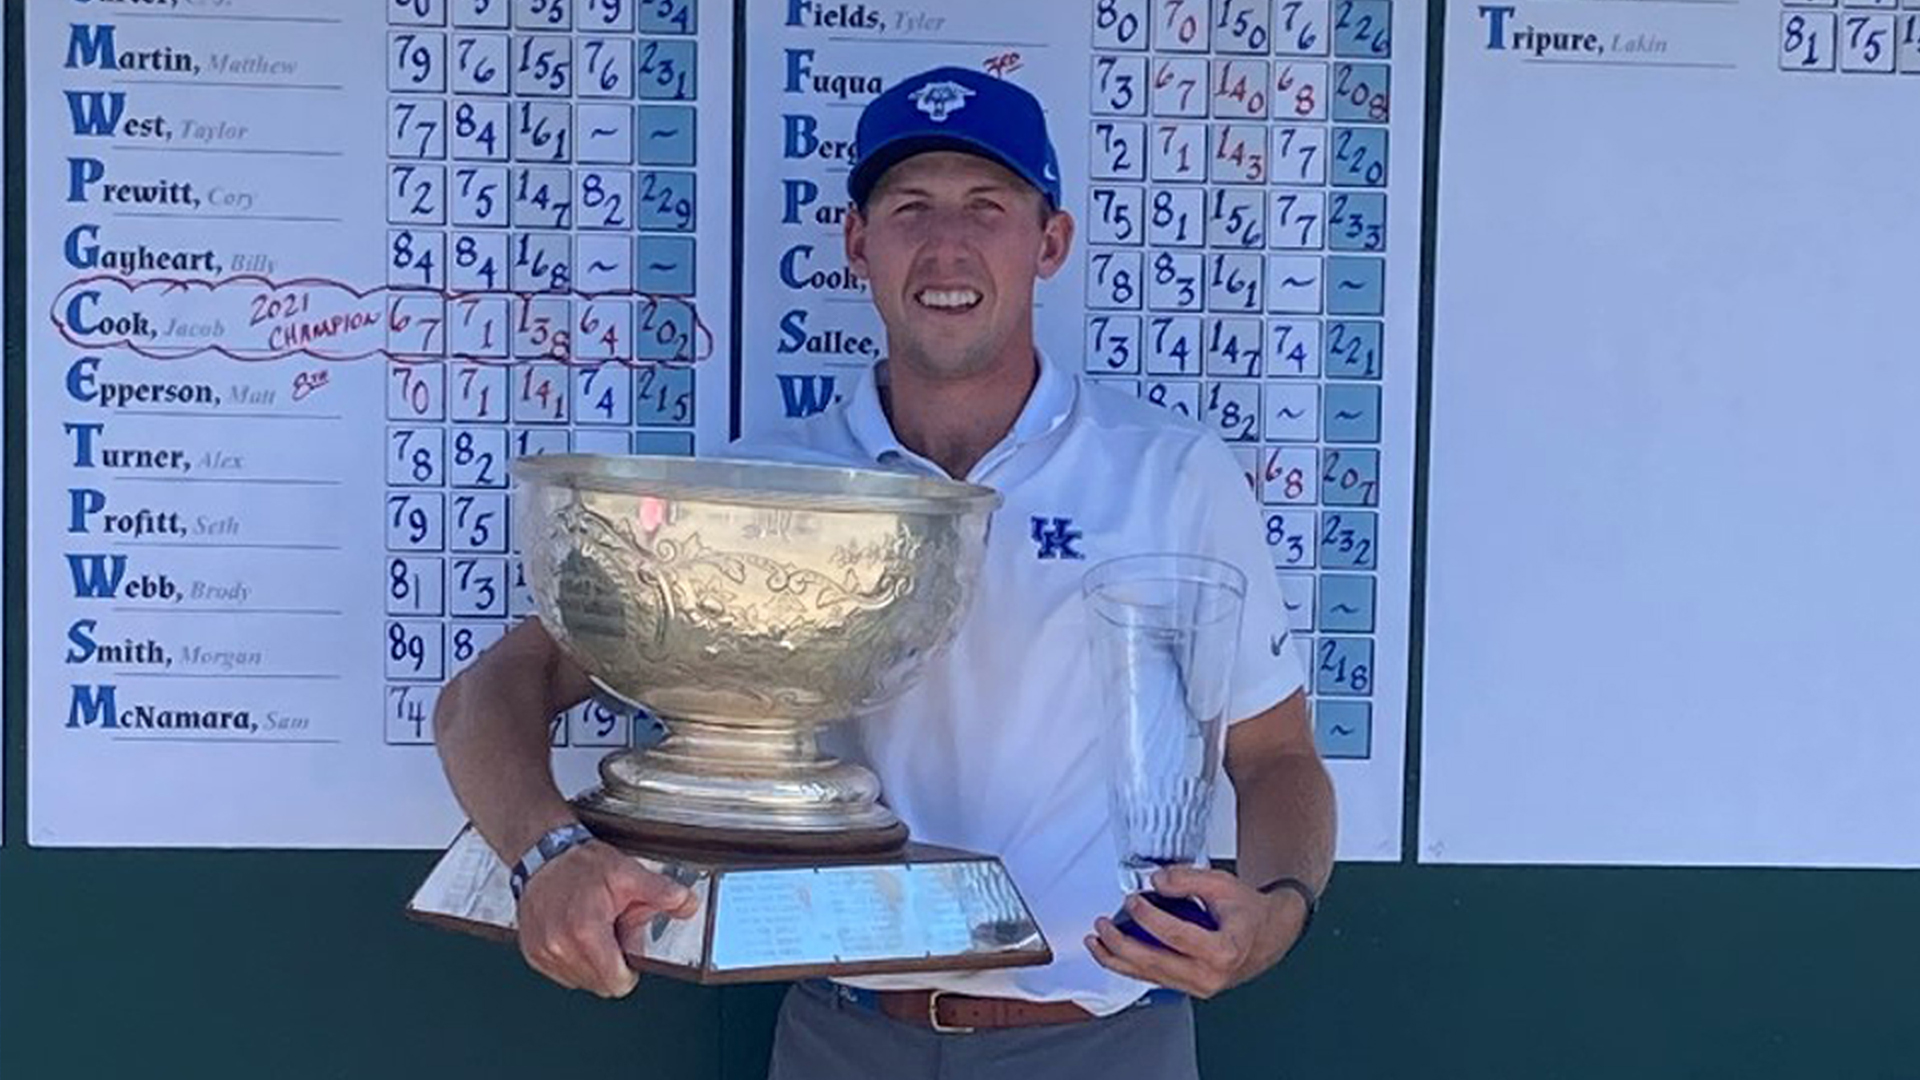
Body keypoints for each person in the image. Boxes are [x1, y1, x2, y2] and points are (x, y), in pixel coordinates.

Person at [432, 65, 1336, 1080]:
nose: (947, 245)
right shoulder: (763, 490)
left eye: (987, 208)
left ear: (1051, 243)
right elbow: (486, 697)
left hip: (1102, 1037)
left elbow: (1277, 760)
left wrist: (1273, 915)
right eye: (910, 208)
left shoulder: (1167, 471)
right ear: (859, 244)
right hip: (844, 1032)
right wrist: (546, 856)